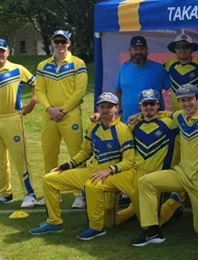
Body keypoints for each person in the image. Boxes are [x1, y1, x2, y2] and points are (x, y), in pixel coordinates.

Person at [29, 93, 134, 240]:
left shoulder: (123, 130)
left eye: (109, 106)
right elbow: (85, 152)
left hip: (109, 178)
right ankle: (54, 222)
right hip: (90, 173)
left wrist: (109, 171)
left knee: (110, 222)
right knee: (49, 180)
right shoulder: (93, 126)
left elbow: (129, 161)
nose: (105, 110)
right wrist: (66, 166)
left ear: (116, 108)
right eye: (102, 106)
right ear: (98, 108)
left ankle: (132, 210)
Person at [137, 84, 198, 241]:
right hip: (181, 174)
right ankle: (152, 230)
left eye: (190, 99)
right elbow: (163, 114)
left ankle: (175, 202)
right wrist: (138, 116)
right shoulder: (179, 116)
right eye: (182, 100)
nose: (187, 104)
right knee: (145, 182)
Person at [0, 38, 38, 208]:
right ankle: (4, 194)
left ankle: (29, 194)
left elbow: (37, 84)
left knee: (20, 158)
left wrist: (33, 102)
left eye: (2, 51)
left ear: (8, 52)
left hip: (13, 118)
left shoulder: (17, 69)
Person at [35, 29, 88, 209]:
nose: (60, 45)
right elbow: (40, 90)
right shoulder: (43, 65)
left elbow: (80, 91)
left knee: (76, 153)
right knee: (49, 153)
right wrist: (50, 109)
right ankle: (52, 192)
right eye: (56, 42)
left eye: (63, 42)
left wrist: (63, 110)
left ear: (69, 43)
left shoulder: (78, 63)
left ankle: (81, 193)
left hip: (70, 114)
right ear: (52, 43)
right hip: (50, 115)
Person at [123, 89, 181, 245]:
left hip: (157, 176)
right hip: (137, 173)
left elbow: (184, 116)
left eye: (152, 104)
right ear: (140, 106)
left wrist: (157, 113)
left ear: (158, 105)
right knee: (143, 217)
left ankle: (173, 203)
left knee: (152, 222)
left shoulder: (169, 124)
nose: (149, 107)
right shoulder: (134, 125)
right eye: (145, 104)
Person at [115, 35, 170, 120]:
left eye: (141, 49)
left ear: (147, 50)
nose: (138, 52)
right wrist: (120, 111)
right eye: (135, 49)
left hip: (152, 123)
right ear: (130, 50)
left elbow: (172, 88)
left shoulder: (158, 69)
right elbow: (119, 90)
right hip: (128, 121)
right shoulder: (123, 69)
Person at [164, 34, 198, 110]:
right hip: (176, 113)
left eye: (186, 46)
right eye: (179, 47)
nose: (182, 50)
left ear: (192, 49)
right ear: (174, 49)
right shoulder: (170, 63)